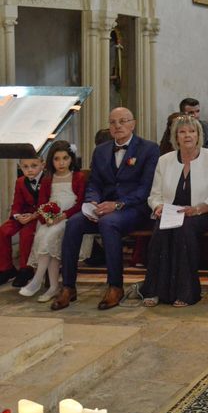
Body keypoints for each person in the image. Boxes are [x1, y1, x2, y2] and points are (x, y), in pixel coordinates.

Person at [52, 107, 160, 311]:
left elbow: (146, 188)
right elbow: (94, 183)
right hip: (103, 207)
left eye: (122, 121)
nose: (117, 126)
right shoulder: (101, 150)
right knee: (73, 223)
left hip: (134, 208)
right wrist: (92, 201)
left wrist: (118, 205)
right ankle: (68, 286)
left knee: (109, 223)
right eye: (112, 122)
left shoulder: (149, 149)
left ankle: (115, 286)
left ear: (133, 123)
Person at [141, 115, 208, 307]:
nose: (187, 135)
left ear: (198, 135)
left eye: (192, 131)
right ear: (175, 136)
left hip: (201, 213)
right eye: (182, 131)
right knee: (159, 233)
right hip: (170, 213)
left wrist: (196, 209)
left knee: (184, 229)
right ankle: (153, 290)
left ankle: (187, 292)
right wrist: (158, 207)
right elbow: (154, 195)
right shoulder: (165, 160)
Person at [19, 141, 88, 302]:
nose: (61, 162)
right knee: (43, 237)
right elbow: (42, 203)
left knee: (51, 238)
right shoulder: (48, 180)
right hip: (50, 217)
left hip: (69, 217)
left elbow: (80, 203)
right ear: (51, 161)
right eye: (57, 159)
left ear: (71, 158)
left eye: (65, 158)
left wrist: (63, 216)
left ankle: (37, 279)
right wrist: (46, 218)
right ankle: (53, 287)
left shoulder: (78, 177)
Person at [0, 155, 44, 287]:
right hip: (24, 215)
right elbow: (16, 205)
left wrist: (33, 216)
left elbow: (49, 203)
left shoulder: (48, 179)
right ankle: (6, 268)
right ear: (20, 167)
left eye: (34, 166)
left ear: (43, 164)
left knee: (26, 234)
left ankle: (26, 269)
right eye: (25, 167)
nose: (29, 170)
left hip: (39, 216)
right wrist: (18, 216)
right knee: (2, 231)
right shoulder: (20, 182)